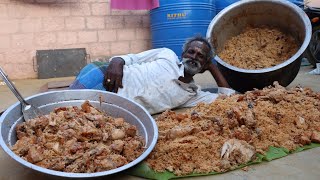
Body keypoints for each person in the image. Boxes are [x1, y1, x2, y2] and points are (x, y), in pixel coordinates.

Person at [69, 36, 234, 114]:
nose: (194, 57)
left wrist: (213, 67)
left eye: (200, 56)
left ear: (205, 65)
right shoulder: (167, 55)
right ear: (183, 54)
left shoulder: (192, 95)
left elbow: (228, 98)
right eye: (191, 52)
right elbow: (133, 58)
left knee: (71, 122)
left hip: (116, 106)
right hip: (102, 76)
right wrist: (117, 61)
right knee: (61, 108)